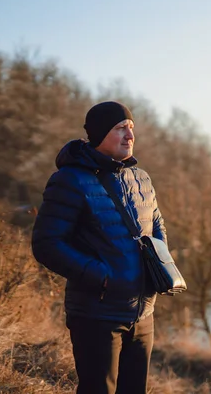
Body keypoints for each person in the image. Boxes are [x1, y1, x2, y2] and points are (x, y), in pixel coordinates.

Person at [32, 101, 167, 394]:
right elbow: (47, 244)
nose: (129, 136)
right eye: (120, 128)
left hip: (142, 313)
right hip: (97, 314)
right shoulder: (69, 180)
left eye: (131, 128)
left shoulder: (141, 178)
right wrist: (102, 277)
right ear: (99, 134)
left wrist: (160, 268)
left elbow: (157, 225)